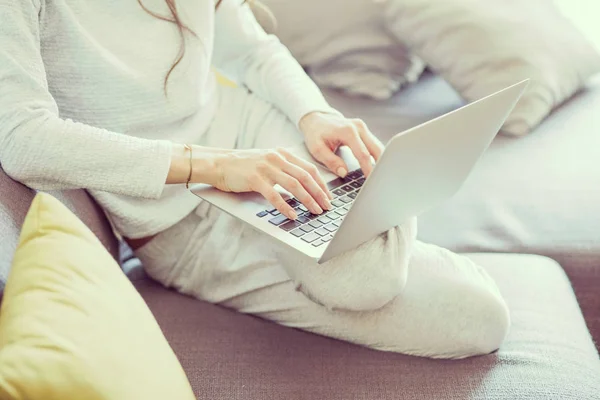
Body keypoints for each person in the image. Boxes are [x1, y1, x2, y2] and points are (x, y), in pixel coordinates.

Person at [0, 0, 510, 359]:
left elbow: (251, 50)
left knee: (388, 270)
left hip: (261, 138)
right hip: (181, 221)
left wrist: (314, 114)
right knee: (463, 312)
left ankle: (378, 209)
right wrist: (213, 164)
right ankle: (390, 217)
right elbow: (23, 139)